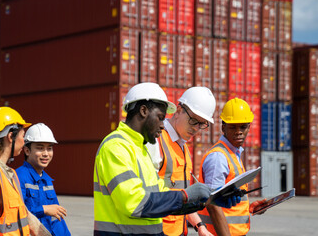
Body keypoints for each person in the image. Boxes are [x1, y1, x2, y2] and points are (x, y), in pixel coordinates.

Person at [93, 82, 240, 236]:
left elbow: (160, 196)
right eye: (160, 118)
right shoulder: (116, 147)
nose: (163, 126)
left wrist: (207, 201)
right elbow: (135, 203)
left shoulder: (140, 149)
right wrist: (186, 195)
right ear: (143, 111)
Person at [146, 87, 216, 236]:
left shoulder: (183, 148)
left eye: (202, 124)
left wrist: (200, 226)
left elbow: (183, 197)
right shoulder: (156, 142)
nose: (196, 128)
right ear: (178, 110)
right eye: (193, 121)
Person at [0, 106, 51, 236]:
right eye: (23, 135)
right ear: (11, 136)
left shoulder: (9, 173)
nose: (24, 141)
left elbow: (25, 214)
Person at [198, 98, 267, 236]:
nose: (239, 132)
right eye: (233, 127)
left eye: (243, 127)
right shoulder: (218, 157)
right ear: (223, 127)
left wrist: (249, 208)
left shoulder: (233, 153)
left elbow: (227, 200)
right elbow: (213, 205)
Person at [16, 123, 71, 236]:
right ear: (27, 151)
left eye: (49, 148)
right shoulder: (18, 177)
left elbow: (56, 218)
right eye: (40, 148)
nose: (46, 154)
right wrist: (43, 209)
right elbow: (16, 213)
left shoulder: (47, 181)